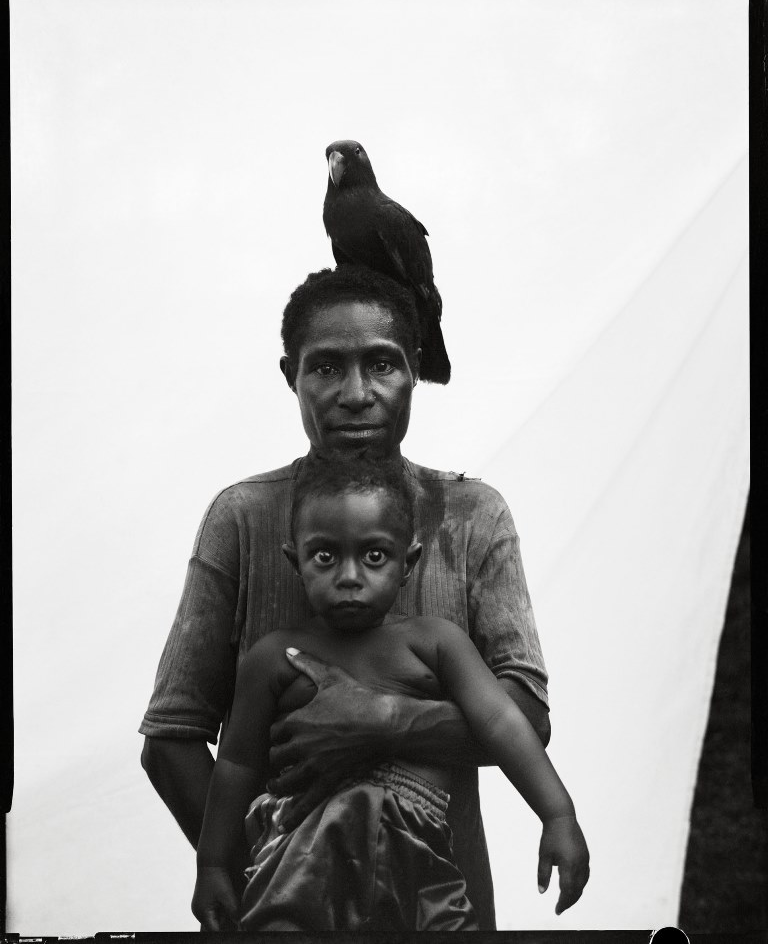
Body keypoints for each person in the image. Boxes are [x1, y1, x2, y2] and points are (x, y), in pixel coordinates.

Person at [140, 264, 551, 930]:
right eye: (326, 367)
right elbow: (171, 739)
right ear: (290, 375)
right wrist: (278, 876)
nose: (356, 393)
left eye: (381, 364)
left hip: (444, 912)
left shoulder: (473, 514)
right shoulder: (243, 518)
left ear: (415, 370)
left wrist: (376, 720)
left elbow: (526, 719)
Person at [192, 454, 589, 931]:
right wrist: (213, 864)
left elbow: (502, 722)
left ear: (408, 563)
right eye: (325, 556)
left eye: (374, 556)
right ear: (295, 562)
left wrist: (558, 814)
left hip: (422, 868)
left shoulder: (436, 643)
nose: (350, 575)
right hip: (296, 868)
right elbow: (237, 764)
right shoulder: (275, 656)